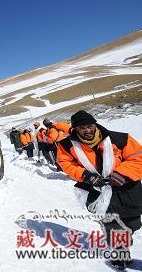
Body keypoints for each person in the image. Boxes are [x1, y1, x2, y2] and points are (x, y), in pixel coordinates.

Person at [56, 110, 142, 269]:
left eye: (90, 126)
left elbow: (138, 157)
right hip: (98, 192)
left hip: (127, 188)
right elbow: (64, 163)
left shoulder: (120, 138)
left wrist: (122, 173)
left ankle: (123, 241)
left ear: (95, 124)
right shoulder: (66, 145)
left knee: (133, 224)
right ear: (75, 129)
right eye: (82, 128)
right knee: (112, 226)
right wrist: (85, 174)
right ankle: (119, 255)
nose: (87, 131)